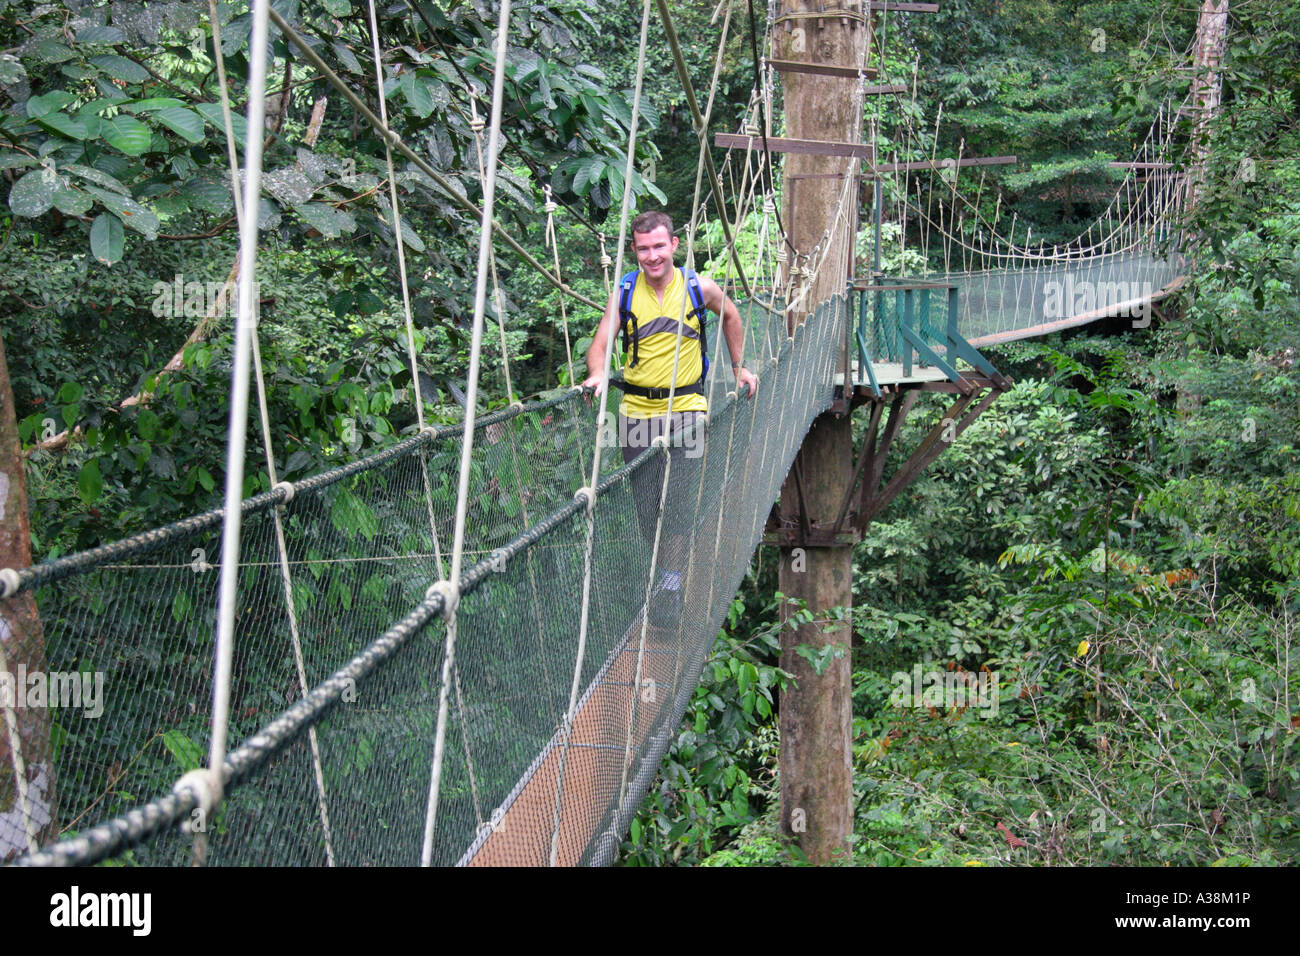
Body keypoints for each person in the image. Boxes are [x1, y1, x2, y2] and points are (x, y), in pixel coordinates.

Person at [581, 211, 758, 628]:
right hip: (637, 413)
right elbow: (601, 343)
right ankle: (667, 574)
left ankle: (670, 585)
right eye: (643, 249)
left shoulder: (699, 287)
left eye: (659, 246)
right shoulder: (624, 291)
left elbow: (731, 315)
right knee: (647, 508)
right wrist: (595, 373)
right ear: (635, 251)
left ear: (674, 245)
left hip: (687, 411)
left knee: (677, 502)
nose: (652, 256)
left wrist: (740, 368)